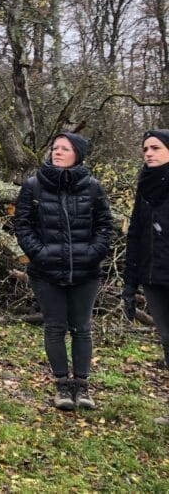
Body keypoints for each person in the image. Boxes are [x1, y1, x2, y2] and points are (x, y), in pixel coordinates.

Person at [13, 132, 113, 411]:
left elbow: (105, 225)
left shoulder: (92, 187)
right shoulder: (33, 186)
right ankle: (62, 387)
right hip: (46, 272)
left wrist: (93, 253)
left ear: (77, 154)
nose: (57, 152)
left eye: (64, 148)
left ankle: (82, 387)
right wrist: (40, 253)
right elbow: (22, 225)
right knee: (55, 326)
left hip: (86, 272)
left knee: (82, 328)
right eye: (54, 147)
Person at [121, 129, 169, 423]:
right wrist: (129, 285)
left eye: (155, 148)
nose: (148, 153)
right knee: (167, 339)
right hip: (154, 278)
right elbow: (135, 235)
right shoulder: (145, 186)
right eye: (145, 149)